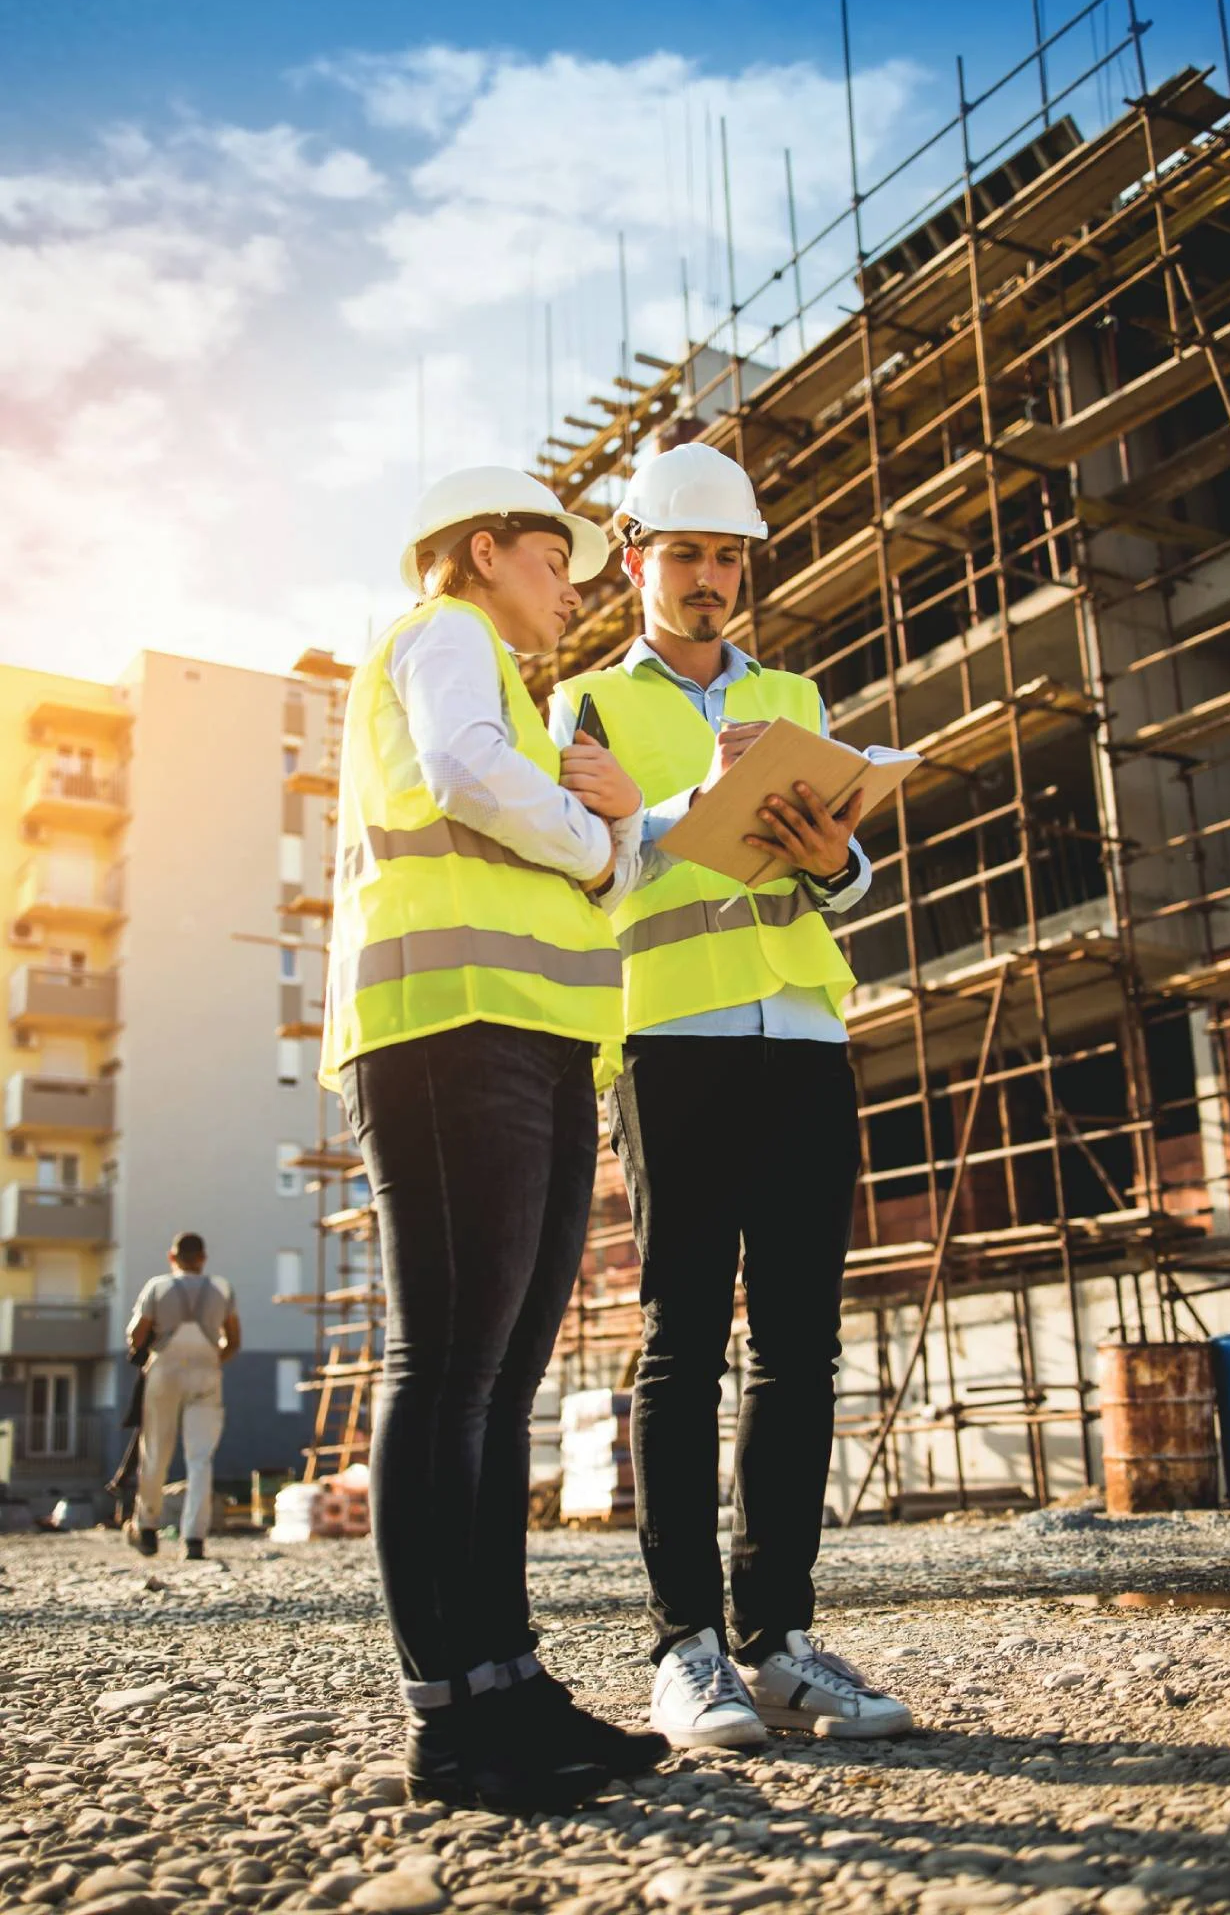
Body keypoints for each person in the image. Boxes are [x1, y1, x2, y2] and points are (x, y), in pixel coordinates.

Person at [549, 441, 913, 1750]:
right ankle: (684, 1649)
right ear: (638, 560)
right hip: (675, 1042)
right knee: (684, 1344)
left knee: (802, 1348)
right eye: (687, 555)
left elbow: (846, 873)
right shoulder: (585, 706)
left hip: (806, 1031)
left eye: (727, 559)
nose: (709, 580)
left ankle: (779, 1642)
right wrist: (675, 815)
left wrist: (840, 860)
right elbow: (572, 881)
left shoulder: (795, 690)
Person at [319, 466, 667, 1815]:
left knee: (501, 1377)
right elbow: (470, 780)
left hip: (527, 1036)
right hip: (447, 1027)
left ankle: (507, 1683)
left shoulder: (519, 697)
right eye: (552, 560)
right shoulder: (444, 633)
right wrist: (596, 835)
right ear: (483, 551)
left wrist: (620, 818)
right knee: (450, 1366)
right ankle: (449, 1717)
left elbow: (600, 866)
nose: (569, 588)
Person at [125, 1231, 240, 1562]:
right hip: (206, 1370)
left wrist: (143, 1349)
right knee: (200, 1457)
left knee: (156, 1451)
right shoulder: (221, 1289)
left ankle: (146, 1527)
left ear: (171, 1258)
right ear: (203, 1258)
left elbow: (137, 1334)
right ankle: (194, 1539)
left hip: (165, 1370)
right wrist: (214, 1358)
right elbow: (233, 1339)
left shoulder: (157, 1287)